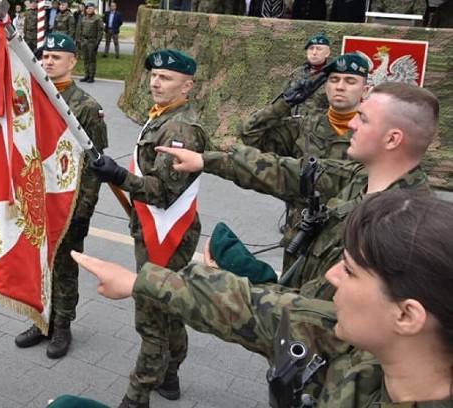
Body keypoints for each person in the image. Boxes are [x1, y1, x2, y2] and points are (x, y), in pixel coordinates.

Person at [72, 191, 453, 406]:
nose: (332, 276)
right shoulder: (363, 346)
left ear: (407, 316)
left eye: (350, 271)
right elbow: (258, 311)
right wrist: (138, 282)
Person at [160, 81, 437, 299]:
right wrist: (205, 160)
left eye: (363, 119)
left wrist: (240, 285)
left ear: (392, 139)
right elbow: (290, 171)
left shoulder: (397, 229)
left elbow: (315, 315)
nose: (352, 123)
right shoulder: (362, 176)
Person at [90, 49, 210, 406]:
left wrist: (119, 176)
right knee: (168, 307)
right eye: (154, 75)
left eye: (167, 78)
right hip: (156, 229)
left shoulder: (181, 129)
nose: (156, 82)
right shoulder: (163, 116)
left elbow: (164, 192)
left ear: (187, 86)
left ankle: (137, 395)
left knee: (151, 316)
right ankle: (170, 376)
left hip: (166, 235)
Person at [14, 32, 108, 359]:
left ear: (73, 62)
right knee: (38, 264)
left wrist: (84, 212)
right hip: (36, 198)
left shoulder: (87, 107)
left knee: (65, 267)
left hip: (68, 203)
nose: (49, 61)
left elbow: (97, 167)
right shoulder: (30, 95)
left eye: (57, 57)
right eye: (45, 56)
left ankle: (63, 325)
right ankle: (41, 321)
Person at [240, 53, 370, 271]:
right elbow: (250, 134)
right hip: (300, 233)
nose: (340, 87)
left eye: (350, 81)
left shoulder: (373, 133)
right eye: (334, 80)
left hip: (346, 238)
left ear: (365, 90)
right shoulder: (304, 127)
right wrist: (284, 103)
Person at [285, 34, 332, 118]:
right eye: (311, 48)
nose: (314, 53)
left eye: (319, 49)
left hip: (317, 127)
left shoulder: (332, 76)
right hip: (293, 126)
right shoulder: (297, 73)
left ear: (327, 53)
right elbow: (284, 99)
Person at [75, 3, 104, 83]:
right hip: (84, 41)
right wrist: (79, 41)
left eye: (90, 8)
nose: (88, 10)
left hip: (92, 41)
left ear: (94, 9)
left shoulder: (97, 19)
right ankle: (86, 75)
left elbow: (100, 32)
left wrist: (97, 43)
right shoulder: (84, 18)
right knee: (86, 59)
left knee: (92, 59)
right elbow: (80, 30)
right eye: (87, 9)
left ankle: (91, 76)